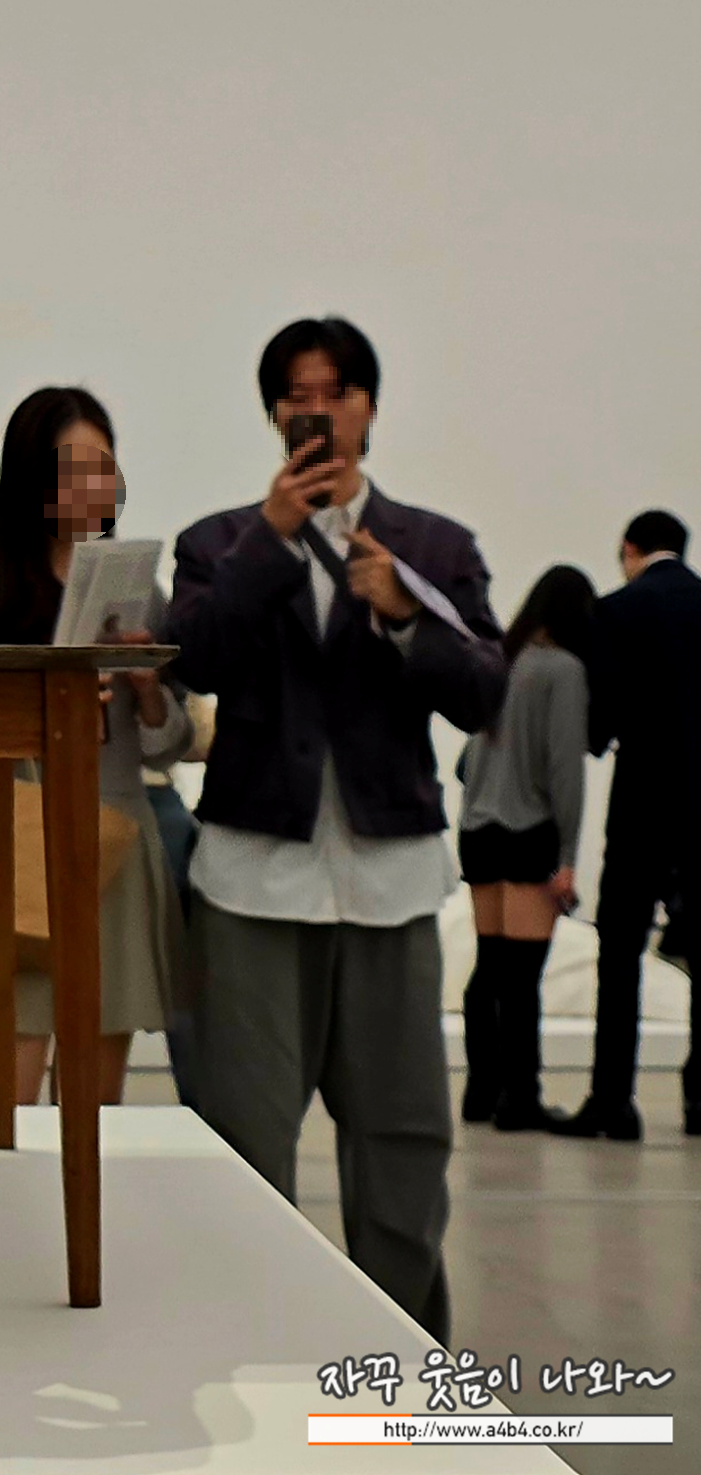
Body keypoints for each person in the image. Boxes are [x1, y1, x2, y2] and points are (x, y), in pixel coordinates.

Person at [169, 316, 506, 1343]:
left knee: (401, 1142)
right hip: (250, 880)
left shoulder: (434, 547)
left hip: (389, 879)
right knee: (243, 1138)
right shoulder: (219, 542)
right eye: (296, 396)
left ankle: (400, 1371)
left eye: (335, 392)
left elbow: (485, 692)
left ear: (367, 407)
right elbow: (192, 659)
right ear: (274, 413)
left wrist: (403, 612)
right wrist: (269, 544)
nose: (315, 411)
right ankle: (248, 1360)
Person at [0, 386, 192, 1105]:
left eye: (104, 467)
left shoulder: (141, 591)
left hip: (115, 838)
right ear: (31, 479)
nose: (92, 486)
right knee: (2, 1105)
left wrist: (146, 687)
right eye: (71, 469)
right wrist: (37, 707)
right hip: (15, 842)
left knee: (95, 1108)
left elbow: (167, 745)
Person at [558, 510, 701, 1140]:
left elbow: (600, 721)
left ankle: (614, 1100)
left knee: (619, 951)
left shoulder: (615, 610)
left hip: (642, 800)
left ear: (629, 549)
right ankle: (700, 1100)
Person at [455, 565, 595, 1132]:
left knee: (489, 968)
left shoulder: (498, 660)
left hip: (478, 832)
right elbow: (565, 771)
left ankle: (480, 1093)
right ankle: (521, 1099)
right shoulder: (564, 670)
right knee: (521, 977)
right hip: (529, 831)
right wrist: (569, 857)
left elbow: (464, 763)